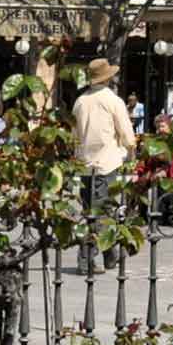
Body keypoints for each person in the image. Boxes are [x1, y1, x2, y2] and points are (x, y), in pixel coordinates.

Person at [72, 58, 136, 271]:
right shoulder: (112, 100)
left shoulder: (80, 101)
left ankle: (110, 255)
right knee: (102, 212)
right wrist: (131, 149)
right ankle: (87, 258)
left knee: (93, 209)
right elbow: (126, 131)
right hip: (107, 161)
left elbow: (75, 134)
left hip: (84, 163)